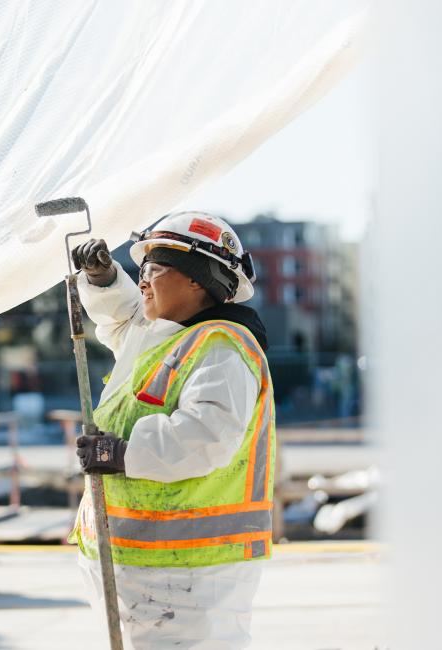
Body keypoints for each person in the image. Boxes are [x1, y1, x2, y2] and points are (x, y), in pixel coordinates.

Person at [68, 211, 275, 650]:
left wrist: (122, 454)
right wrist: (104, 280)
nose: (142, 280)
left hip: (191, 572)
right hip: (149, 564)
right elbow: (125, 320)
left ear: (196, 280)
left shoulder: (221, 345)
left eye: (155, 270)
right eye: (140, 271)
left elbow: (207, 435)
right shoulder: (164, 337)